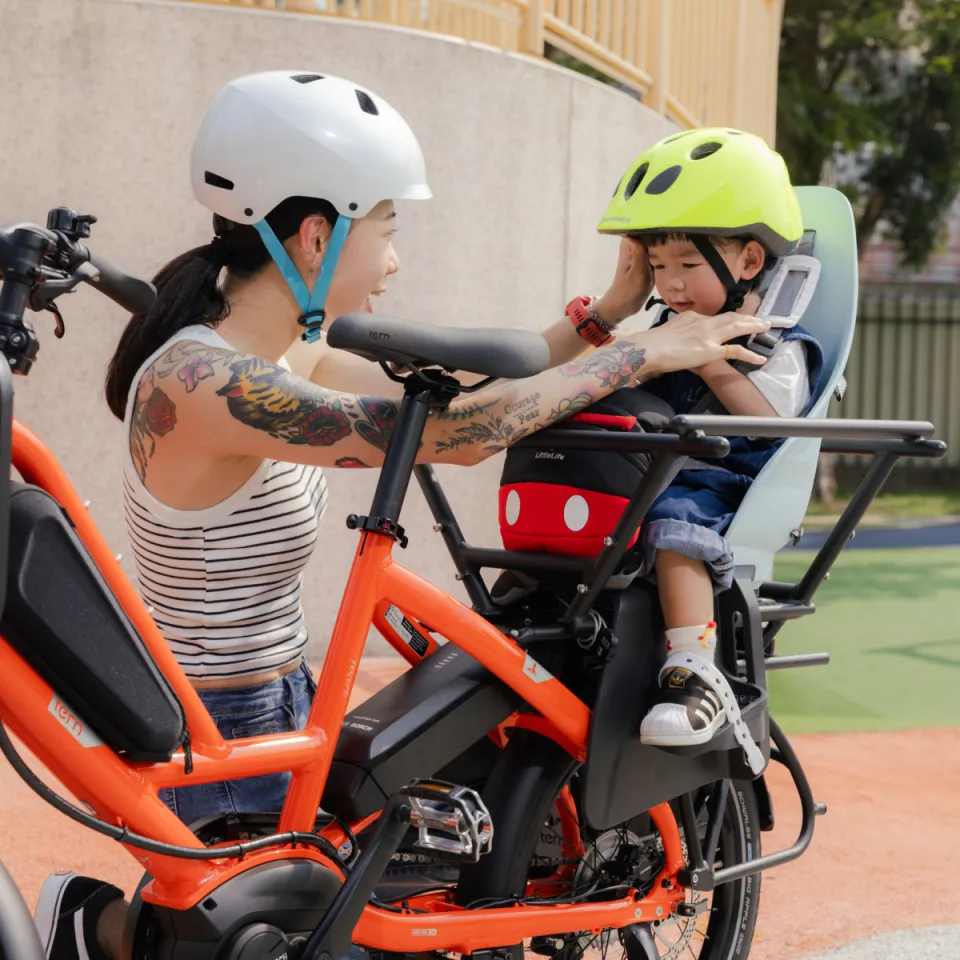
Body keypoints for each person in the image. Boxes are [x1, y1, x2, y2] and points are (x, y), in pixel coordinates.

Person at [33, 73, 770, 960]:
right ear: (317, 234)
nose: (394, 259)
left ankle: (99, 928)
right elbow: (456, 438)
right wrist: (641, 355)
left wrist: (609, 315)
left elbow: (492, 390)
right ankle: (105, 930)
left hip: (279, 702)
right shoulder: (209, 384)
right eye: (387, 230)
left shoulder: (275, 350)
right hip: (214, 733)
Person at [595, 128, 825, 747]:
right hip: (649, 466)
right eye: (658, 265)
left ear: (749, 262)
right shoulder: (664, 323)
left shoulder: (773, 342)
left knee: (673, 517)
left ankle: (692, 671)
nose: (669, 284)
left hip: (719, 479)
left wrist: (709, 361)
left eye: (688, 265)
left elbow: (776, 428)